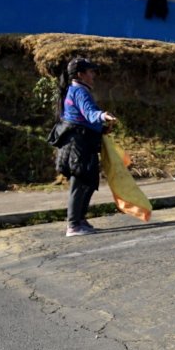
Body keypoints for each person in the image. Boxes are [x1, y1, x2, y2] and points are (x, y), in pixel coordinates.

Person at [49, 58, 117, 237]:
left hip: (81, 143)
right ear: (80, 74)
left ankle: (80, 219)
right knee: (79, 184)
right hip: (78, 145)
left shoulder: (73, 90)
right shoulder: (80, 92)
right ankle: (73, 225)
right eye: (90, 71)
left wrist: (101, 128)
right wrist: (103, 116)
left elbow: (82, 118)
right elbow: (89, 112)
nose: (93, 75)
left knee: (87, 182)